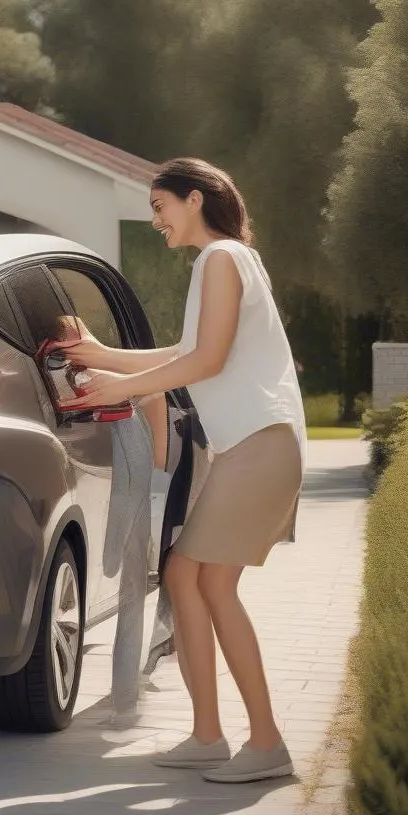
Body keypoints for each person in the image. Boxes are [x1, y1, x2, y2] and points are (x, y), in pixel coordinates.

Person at [62, 157, 305, 783]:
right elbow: (187, 351)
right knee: (187, 578)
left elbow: (206, 361)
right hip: (255, 444)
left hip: (261, 444)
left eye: (159, 207)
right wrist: (103, 357)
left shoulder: (219, 260)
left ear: (193, 199)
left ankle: (266, 743)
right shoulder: (229, 261)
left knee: (206, 584)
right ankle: (208, 735)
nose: (155, 221)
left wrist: (114, 388)